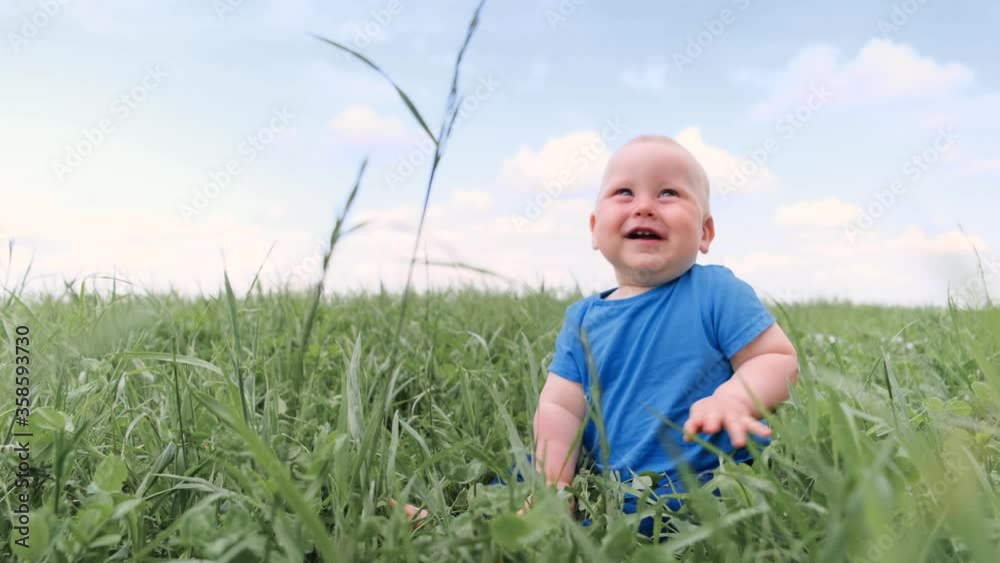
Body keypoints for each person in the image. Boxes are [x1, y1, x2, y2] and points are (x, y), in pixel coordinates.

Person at [530, 134, 799, 536]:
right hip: (611, 493)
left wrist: (734, 398)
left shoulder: (716, 292)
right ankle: (457, 527)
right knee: (522, 499)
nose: (644, 207)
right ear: (593, 228)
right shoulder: (583, 320)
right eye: (624, 192)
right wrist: (553, 483)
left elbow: (776, 358)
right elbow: (560, 408)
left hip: (709, 491)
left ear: (705, 232)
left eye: (668, 193)